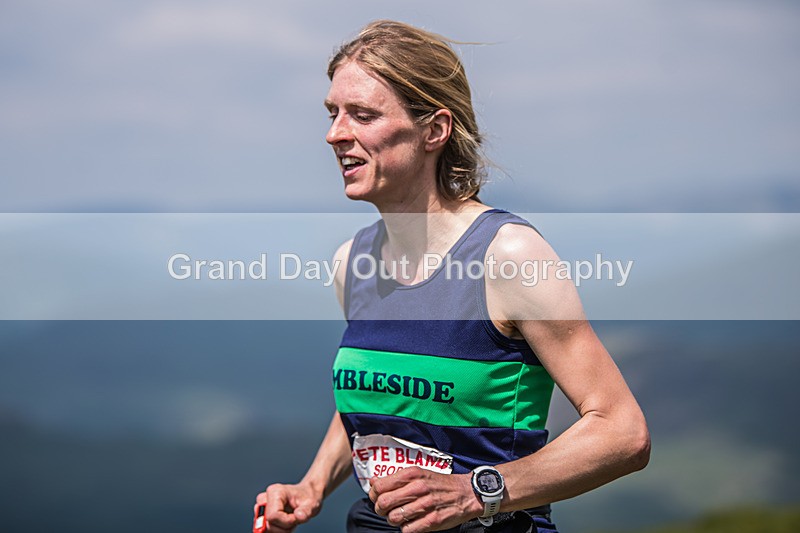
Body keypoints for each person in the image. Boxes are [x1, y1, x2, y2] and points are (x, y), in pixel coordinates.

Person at [257, 20, 650, 533]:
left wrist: (476, 492)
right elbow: (382, 395)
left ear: (434, 131)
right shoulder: (352, 262)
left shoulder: (509, 255)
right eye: (333, 113)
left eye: (363, 115)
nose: (335, 134)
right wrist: (312, 486)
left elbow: (623, 431)